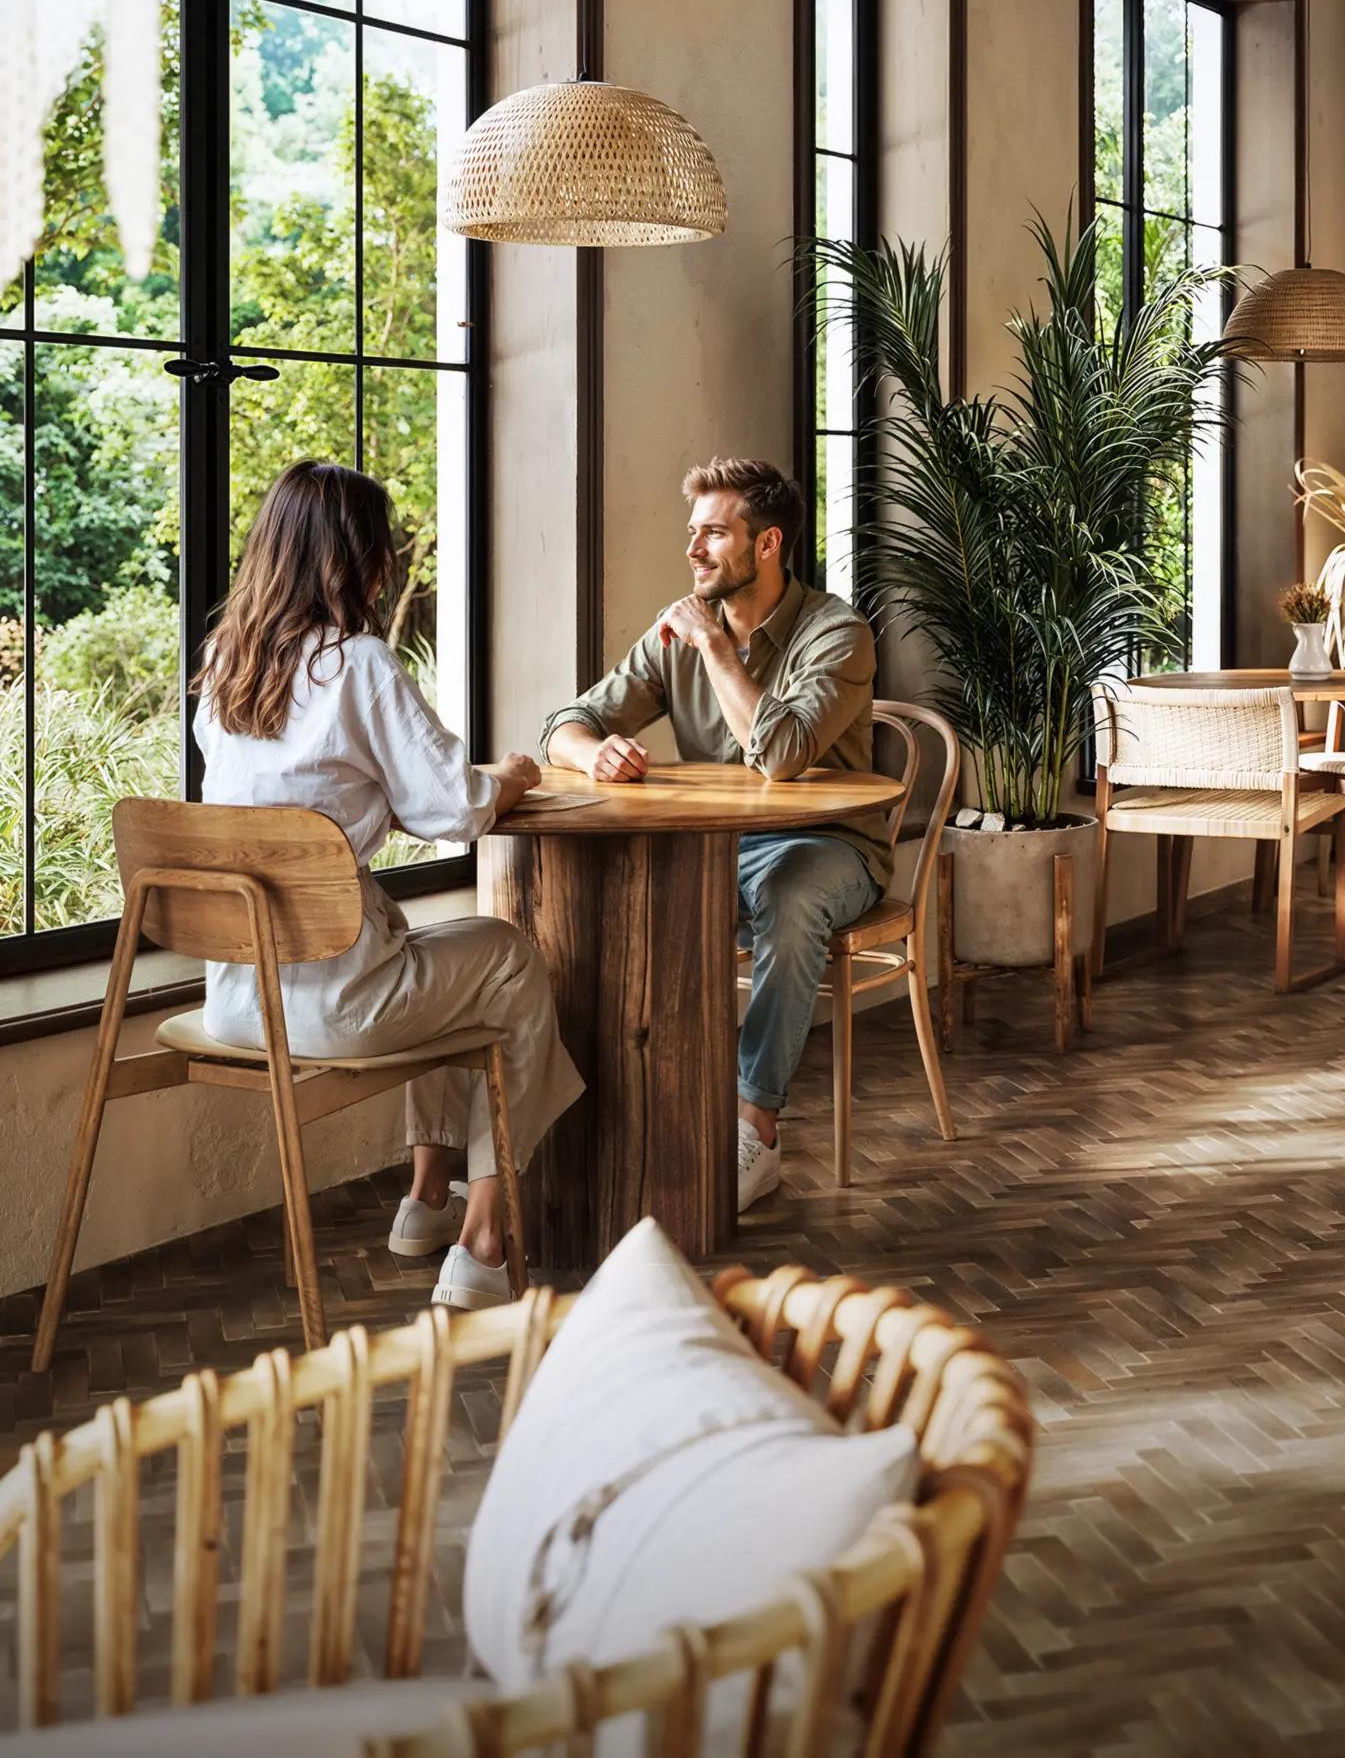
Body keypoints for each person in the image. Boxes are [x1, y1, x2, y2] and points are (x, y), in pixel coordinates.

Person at [197, 460, 583, 1311]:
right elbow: (456, 806)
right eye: (379, 549)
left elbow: (293, 798)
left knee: (446, 962)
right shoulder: (359, 664)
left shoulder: (226, 663)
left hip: (236, 997)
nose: (387, 565)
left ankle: (425, 1201)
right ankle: (483, 1238)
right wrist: (512, 776)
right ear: (352, 559)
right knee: (508, 960)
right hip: (330, 1002)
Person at [542, 457, 887, 1211]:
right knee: (615, 898)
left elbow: (785, 755)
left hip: (831, 847)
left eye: (713, 534)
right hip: (717, 848)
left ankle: (753, 1128)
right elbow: (564, 724)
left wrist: (717, 650)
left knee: (790, 896)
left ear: (766, 545)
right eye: (691, 534)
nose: (693, 551)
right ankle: (627, 1115)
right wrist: (591, 751)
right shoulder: (680, 630)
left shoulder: (838, 632)